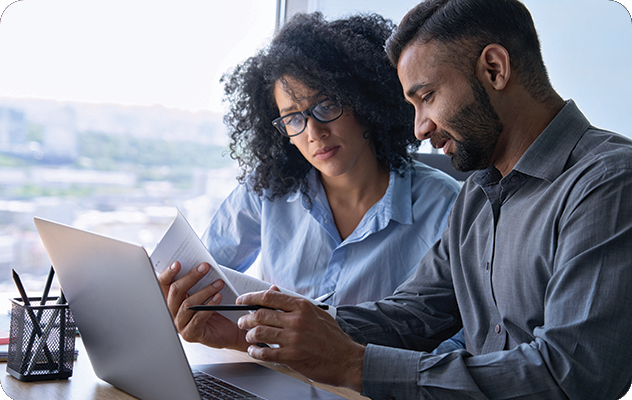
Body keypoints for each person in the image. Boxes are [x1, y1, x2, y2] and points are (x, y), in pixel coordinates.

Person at [160, 0, 632, 398]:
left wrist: (357, 367)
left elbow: (571, 373)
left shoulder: (608, 181)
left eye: (426, 97)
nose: (419, 128)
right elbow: (412, 314)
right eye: (411, 106)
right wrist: (259, 333)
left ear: (494, 68)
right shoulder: (478, 195)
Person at [196, 13, 461, 307]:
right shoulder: (267, 191)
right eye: (293, 118)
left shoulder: (444, 206)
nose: (313, 132)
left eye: (326, 105)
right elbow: (202, 274)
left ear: (365, 102)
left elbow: (461, 339)